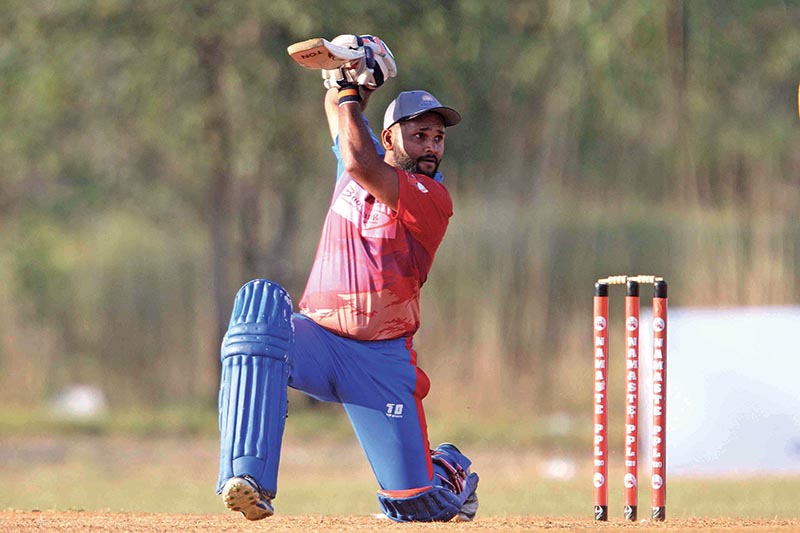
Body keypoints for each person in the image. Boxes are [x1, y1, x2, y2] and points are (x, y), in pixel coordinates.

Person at [215, 34, 479, 523]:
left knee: (415, 508)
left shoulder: (430, 195)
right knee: (258, 306)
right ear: (389, 138)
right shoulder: (356, 161)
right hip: (317, 339)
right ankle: (247, 479)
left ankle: (449, 471)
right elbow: (340, 121)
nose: (431, 147)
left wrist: (354, 92)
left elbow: (359, 157)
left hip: (380, 359)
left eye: (438, 138)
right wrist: (344, 74)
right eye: (418, 135)